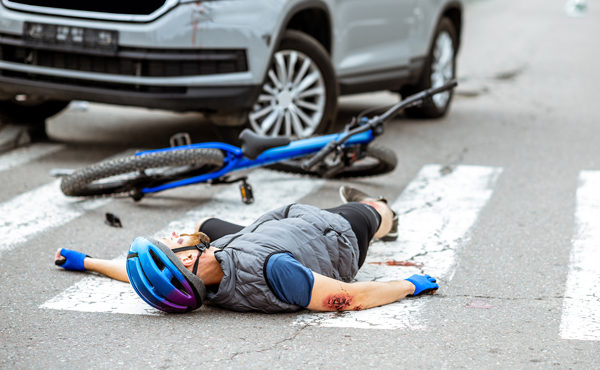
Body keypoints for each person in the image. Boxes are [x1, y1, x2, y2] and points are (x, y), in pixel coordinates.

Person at [54, 186, 439, 313]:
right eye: (170, 244)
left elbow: (138, 274)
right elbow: (346, 297)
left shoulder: (201, 283)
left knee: (205, 226)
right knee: (370, 213)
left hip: (258, 237)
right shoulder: (277, 272)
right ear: (188, 259)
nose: (171, 236)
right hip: (331, 236)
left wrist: (85, 261)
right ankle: (385, 212)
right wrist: (409, 284)